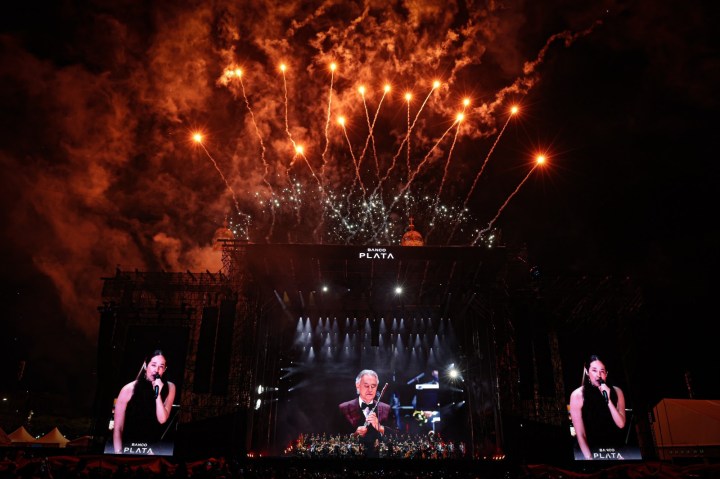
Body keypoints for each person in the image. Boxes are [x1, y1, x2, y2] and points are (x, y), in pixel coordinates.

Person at [112, 349, 176, 454]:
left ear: (165, 369)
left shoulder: (170, 387)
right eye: (153, 365)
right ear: (146, 366)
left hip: (153, 449)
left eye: (161, 366)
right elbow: (118, 428)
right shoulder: (128, 389)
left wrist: (157, 393)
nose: (157, 370)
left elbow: (162, 419)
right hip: (129, 447)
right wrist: (118, 454)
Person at [569, 354, 626, 460]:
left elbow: (621, 424)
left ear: (606, 373)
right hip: (589, 450)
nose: (598, 375)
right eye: (594, 370)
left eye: (602, 371)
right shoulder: (577, 395)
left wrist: (608, 400)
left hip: (613, 449)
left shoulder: (617, 392)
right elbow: (581, 434)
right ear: (587, 372)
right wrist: (590, 459)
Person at [338, 369, 392, 456]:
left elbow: (397, 434)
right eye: (366, 386)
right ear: (358, 386)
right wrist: (355, 434)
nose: (370, 389)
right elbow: (337, 435)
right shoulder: (343, 408)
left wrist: (380, 428)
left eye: (373, 386)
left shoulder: (386, 408)